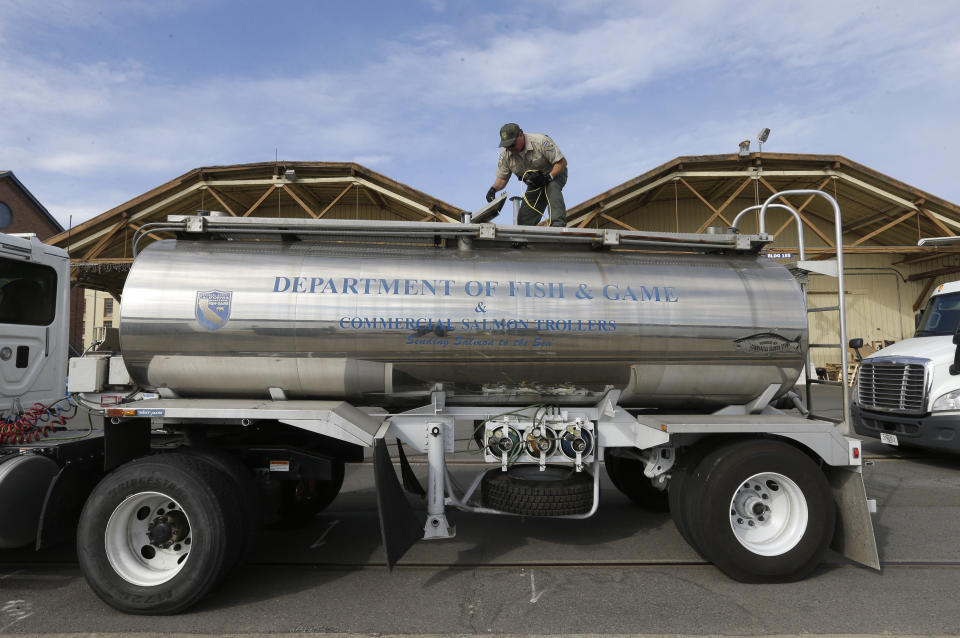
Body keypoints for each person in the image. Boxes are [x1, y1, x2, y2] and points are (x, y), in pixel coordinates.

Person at [485, 123, 568, 227]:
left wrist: (549, 177)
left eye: (512, 144)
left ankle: (558, 226)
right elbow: (502, 179)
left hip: (555, 173)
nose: (510, 148)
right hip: (535, 183)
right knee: (524, 219)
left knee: (552, 187)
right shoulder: (505, 156)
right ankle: (523, 241)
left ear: (521, 135)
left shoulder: (540, 141)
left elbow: (562, 163)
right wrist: (492, 190)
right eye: (506, 145)